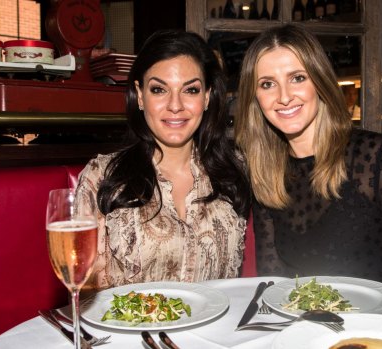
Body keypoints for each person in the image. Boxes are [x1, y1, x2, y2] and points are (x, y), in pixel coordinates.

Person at [235, 24, 382, 314]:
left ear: (319, 81)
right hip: (309, 333)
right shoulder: (265, 172)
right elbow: (276, 284)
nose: (283, 96)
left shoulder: (375, 156)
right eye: (267, 84)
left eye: (297, 78)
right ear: (255, 98)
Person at [76, 30, 251, 290]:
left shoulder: (235, 170)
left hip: (217, 330)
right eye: (159, 89)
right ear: (140, 95)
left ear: (206, 97)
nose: (175, 105)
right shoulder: (101, 177)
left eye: (190, 90)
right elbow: (86, 293)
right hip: (128, 330)